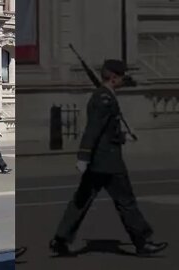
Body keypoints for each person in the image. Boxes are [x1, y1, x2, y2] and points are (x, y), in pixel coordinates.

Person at [49, 59, 168, 257]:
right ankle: (143, 242)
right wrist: (83, 156)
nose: (123, 80)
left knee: (81, 202)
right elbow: (93, 129)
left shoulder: (104, 95)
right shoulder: (104, 98)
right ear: (113, 77)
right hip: (108, 161)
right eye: (121, 76)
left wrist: (123, 136)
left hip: (99, 160)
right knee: (126, 202)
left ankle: (60, 240)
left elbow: (106, 131)